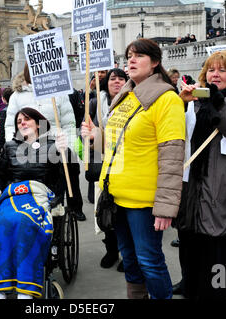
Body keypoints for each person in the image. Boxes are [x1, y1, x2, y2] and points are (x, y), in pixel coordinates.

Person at [82, 38, 186, 299]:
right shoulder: (125, 95)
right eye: (129, 55)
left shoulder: (167, 99)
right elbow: (116, 143)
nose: (131, 59)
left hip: (144, 201)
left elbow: (172, 156)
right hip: (116, 196)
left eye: (139, 55)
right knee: (129, 262)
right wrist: (96, 135)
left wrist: (165, 207)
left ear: (155, 63)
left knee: (150, 262)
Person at [176, 50, 226, 299]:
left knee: (217, 256)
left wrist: (218, 104)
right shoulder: (194, 99)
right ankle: (189, 285)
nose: (215, 74)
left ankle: (217, 293)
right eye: (211, 69)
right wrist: (180, 103)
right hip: (190, 186)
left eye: (222, 70)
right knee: (188, 246)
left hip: (220, 189)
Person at [0, 107, 66, 299]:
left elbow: (61, 179)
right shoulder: (10, 146)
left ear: (38, 123)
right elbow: (0, 175)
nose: (23, 124)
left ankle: (26, 288)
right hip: (13, 195)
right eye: (19, 121)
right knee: (2, 223)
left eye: (27, 120)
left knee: (25, 223)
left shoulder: (52, 145)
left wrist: (64, 153)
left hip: (39, 194)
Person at [4, 64, 85, 221]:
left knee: (69, 174)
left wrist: (68, 146)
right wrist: (12, 148)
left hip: (56, 143)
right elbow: (10, 125)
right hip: (27, 146)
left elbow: (68, 122)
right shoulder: (17, 96)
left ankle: (74, 207)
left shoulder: (58, 94)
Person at [86, 68, 128, 271]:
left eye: (122, 78)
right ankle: (111, 250)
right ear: (107, 82)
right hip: (101, 163)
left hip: (125, 163)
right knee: (105, 209)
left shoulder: (132, 102)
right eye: (113, 78)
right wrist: (89, 136)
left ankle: (126, 252)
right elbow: (85, 133)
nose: (117, 82)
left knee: (122, 211)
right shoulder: (95, 103)